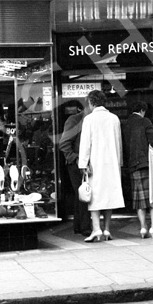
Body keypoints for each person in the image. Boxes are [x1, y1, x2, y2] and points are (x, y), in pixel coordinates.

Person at [78, 90, 123, 242]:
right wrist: (119, 162)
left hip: (95, 163)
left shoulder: (89, 119)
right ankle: (107, 229)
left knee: (94, 196)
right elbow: (119, 143)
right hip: (112, 162)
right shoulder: (114, 118)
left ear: (91, 102)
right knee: (109, 195)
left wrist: (83, 163)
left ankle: (96, 229)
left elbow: (85, 144)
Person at [121, 101, 153, 238]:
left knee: (139, 199)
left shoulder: (126, 124)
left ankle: (142, 227)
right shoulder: (145, 121)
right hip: (147, 165)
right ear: (143, 110)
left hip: (133, 165)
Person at [58, 101, 92, 236]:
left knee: (81, 195)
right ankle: (84, 227)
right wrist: (76, 158)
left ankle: (80, 226)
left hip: (80, 162)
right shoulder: (75, 120)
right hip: (75, 164)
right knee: (84, 194)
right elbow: (64, 143)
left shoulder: (87, 120)